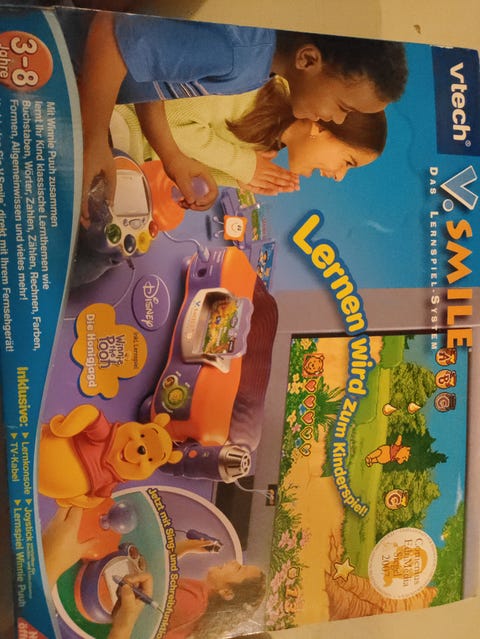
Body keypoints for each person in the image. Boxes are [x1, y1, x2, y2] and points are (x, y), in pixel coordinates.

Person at [76, 11, 407, 215]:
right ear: (307, 59)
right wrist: (94, 139)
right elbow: (112, 32)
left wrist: (174, 158)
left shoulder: (257, 67)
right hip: (67, 72)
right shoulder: (241, 52)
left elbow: (154, 76)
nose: (337, 119)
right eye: (343, 108)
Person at [113, 77, 386, 194]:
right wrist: (241, 165)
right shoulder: (256, 86)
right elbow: (169, 122)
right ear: (323, 127)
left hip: (129, 157)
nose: (339, 176)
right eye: (348, 162)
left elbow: (180, 160)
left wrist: (237, 179)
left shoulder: (269, 140)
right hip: (119, 119)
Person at [165, 560, 266, 639]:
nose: (234, 562)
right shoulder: (201, 596)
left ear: (227, 592)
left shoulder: (193, 602)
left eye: (239, 568)